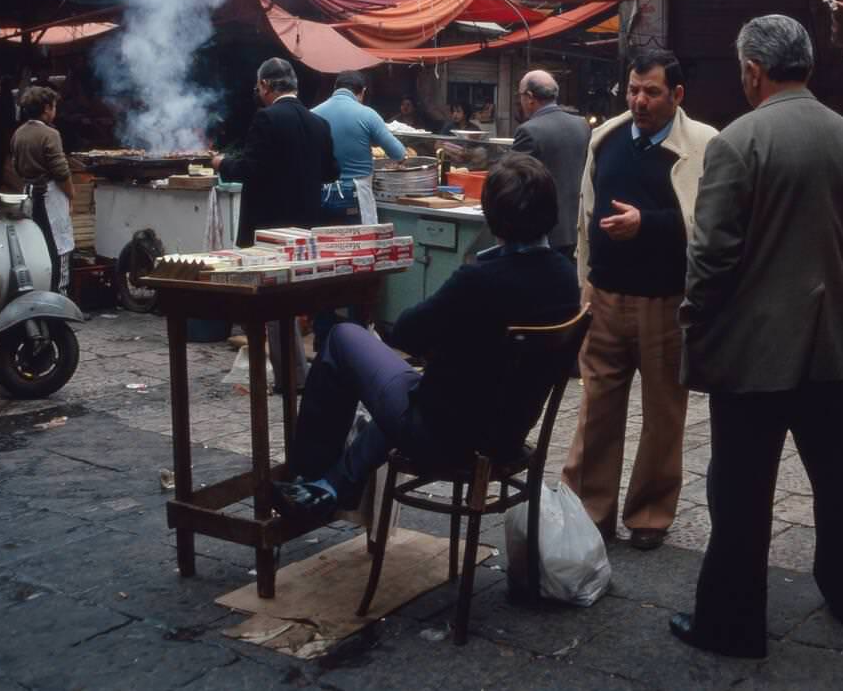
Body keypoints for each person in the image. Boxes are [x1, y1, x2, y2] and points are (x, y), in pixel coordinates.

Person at [671, 15, 843, 658]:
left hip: (754, 350)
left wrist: (695, 322)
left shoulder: (738, 142)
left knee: (740, 493)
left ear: (753, 71)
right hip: (834, 344)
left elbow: (710, 259)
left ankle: (732, 624)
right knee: (840, 482)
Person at [271, 153, 580, 516]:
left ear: (493, 217)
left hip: (442, 435)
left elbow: (404, 333)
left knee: (343, 338)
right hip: (505, 433)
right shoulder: (564, 276)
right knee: (408, 389)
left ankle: (309, 471)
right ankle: (333, 485)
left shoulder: (479, 279)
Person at [562, 49, 716, 550]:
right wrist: (584, 280)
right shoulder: (604, 138)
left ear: (677, 94)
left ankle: (649, 515)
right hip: (605, 297)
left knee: (663, 414)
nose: (639, 101)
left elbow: (713, 226)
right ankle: (590, 510)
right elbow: (585, 214)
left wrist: (647, 224)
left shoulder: (704, 145)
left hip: (666, 303)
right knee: (597, 409)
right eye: (632, 90)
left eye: (651, 91)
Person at [212, 58, 339, 390]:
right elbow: (332, 172)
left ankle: (287, 377)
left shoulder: (266, 119)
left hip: (269, 229)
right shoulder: (318, 123)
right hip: (305, 227)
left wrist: (223, 163)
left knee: (269, 305)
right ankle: (293, 374)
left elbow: (251, 169)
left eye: (259, 88)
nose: (259, 93)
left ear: (266, 86)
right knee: (289, 304)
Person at [511, 70, 590, 262]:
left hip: (544, 233)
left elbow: (512, 181)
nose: (520, 101)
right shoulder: (581, 125)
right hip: (577, 228)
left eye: (520, 95)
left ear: (529, 97)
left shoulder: (529, 131)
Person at [313, 71, 407, 226]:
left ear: (335, 88)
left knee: (325, 246)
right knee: (357, 247)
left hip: (319, 194)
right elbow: (399, 154)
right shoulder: (368, 115)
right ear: (363, 91)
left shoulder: (313, 113)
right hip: (354, 195)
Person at [11, 86, 76, 292]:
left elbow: (15, 166)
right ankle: (60, 300)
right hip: (50, 195)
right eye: (54, 106)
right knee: (61, 247)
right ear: (47, 108)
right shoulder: (50, 134)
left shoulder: (18, 133)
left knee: (37, 247)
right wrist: (71, 195)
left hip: (28, 195)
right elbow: (61, 171)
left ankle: (39, 294)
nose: (54, 111)